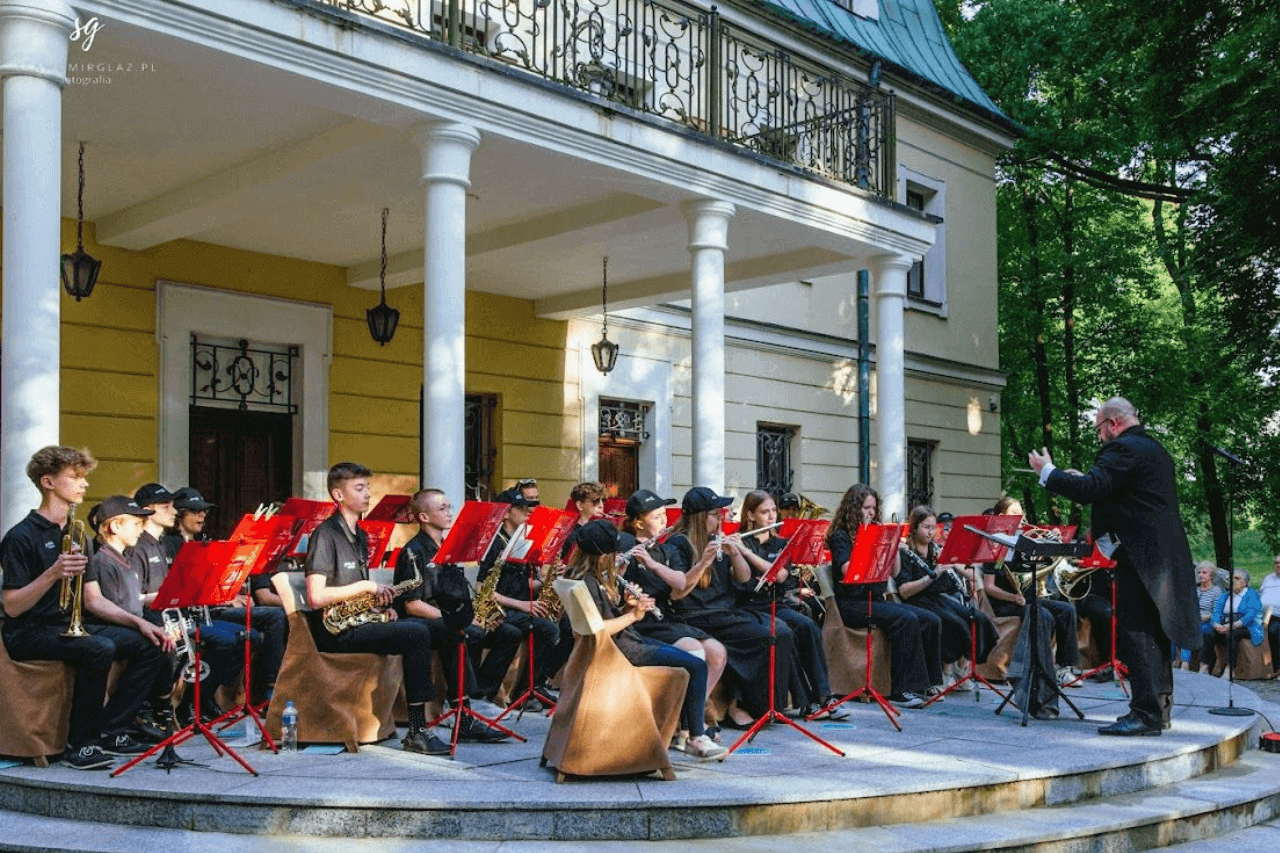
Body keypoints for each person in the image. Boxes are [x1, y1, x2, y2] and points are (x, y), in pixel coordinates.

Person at [1029, 396, 1200, 736]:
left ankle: (1145, 714)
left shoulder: (1123, 449)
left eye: (1099, 429)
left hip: (1140, 558)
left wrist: (1048, 472)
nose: (1099, 437)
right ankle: (1158, 711)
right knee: (1155, 633)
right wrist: (1084, 479)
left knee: (1136, 632)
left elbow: (1091, 490)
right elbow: (1119, 492)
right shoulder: (1155, 450)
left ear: (1113, 423)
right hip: (1162, 555)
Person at [0, 447, 147, 769]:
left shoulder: (77, 533)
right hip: (29, 630)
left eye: (84, 477)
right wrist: (53, 573)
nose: (83, 484)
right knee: (97, 649)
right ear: (48, 482)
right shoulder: (20, 537)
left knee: (146, 645)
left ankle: (113, 729)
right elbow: (11, 606)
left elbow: (93, 600)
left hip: (67, 625)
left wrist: (140, 624)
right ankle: (80, 745)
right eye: (75, 477)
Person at [304, 462, 449, 755]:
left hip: (358, 622)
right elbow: (316, 597)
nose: (368, 494)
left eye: (368, 487)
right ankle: (417, 730)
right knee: (416, 633)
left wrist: (382, 608)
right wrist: (368, 588)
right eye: (360, 488)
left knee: (438, 627)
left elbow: (355, 592)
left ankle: (459, 706)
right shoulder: (325, 535)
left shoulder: (359, 535)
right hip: (335, 631)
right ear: (338, 494)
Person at [566, 518, 728, 760]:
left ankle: (685, 732)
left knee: (689, 660)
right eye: (615, 553)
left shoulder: (582, 576)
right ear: (603, 556)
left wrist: (625, 605)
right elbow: (597, 629)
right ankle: (696, 737)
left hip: (625, 643)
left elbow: (599, 622)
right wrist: (634, 615)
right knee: (696, 664)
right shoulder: (589, 583)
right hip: (622, 651)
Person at [666, 486, 797, 725]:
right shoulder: (678, 544)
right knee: (763, 636)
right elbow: (679, 590)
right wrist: (705, 560)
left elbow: (744, 578)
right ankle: (741, 706)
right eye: (715, 514)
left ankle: (767, 707)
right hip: (697, 615)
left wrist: (736, 552)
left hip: (725, 610)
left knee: (781, 630)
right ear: (699, 516)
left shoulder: (716, 539)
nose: (720, 519)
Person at [132, 482, 258, 721]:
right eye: (166, 506)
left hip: (178, 617)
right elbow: (141, 596)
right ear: (148, 510)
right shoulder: (145, 545)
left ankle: (197, 700)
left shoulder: (158, 544)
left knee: (244, 636)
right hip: (160, 621)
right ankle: (178, 705)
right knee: (225, 639)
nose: (173, 510)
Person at [394, 488, 508, 740]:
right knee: (457, 632)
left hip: (444, 617)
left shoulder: (447, 548)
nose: (449, 513)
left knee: (498, 631)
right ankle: (461, 713)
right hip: (420, 620)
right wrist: (458, 620)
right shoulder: (413, 552)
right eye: (442, 508)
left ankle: (468, 706)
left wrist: (473, 614)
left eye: (449, 507)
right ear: (423, 517)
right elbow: (413, 605)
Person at [620, 489, 729, 731]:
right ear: (638, 523)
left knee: (717, 652)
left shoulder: (665, 549)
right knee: (694, 650)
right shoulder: (625, 545)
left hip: (665, 617)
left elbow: (680, 585)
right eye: (656, 516)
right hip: (639, 622)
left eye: (664, 514)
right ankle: (689, 725)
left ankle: (692, 711)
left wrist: (653, 563)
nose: (664, 520)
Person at [825, 484, 937, 708]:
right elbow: (848, 570)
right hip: (851, 603)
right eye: (866, 508)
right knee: (906, 620)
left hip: (874, 599)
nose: (871, 513)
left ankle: (925, 684)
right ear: (853, 508)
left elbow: (894, 572)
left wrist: (892, 546)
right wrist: (869, 544)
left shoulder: (875, 531)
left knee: (929, 618)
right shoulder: (840, 536)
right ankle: (900, 690)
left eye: (874, 509)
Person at [736, 490, 845, 718]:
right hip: (750, 608)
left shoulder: (782, 543)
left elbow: (781, 575)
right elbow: (746, 581)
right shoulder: (741, 542)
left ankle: (824, 696)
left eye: (773, 511)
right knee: (786, 633)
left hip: (777, 603)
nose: (771, 516)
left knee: (807, 626)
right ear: (751, 515)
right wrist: (747, 554)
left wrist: (756, 564)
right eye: (764, 512)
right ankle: (806, 702)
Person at [82, 496, 175, 745]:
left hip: (129, 624)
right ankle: (117, 725)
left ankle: (147, 714)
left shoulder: (125, 559)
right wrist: (146, 628)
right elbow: (111, 609)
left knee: (165, 641)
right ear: (114, 527)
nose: (141, 528)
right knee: (155, 648)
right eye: (136, 523)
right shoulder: (103, 560)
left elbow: (135, 602)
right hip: (106, 627)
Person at [477, 489, 572, 705]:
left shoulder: (521, 542)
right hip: (500, 610)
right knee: (545, 630)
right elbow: (483, 588)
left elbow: (523, 583)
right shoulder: (494, 544)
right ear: (507, 513)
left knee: (553, 627)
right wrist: (522, 604)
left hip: (520, 607)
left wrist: (547, 581)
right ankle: (490, 692)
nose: (527, 513)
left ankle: (530, 688)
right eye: (521, 509)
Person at [981, 496, 1082, 686]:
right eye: (1014, 513)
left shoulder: (1023, 541)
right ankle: (1035, 669)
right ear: (1002, 516)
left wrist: (1051, 546)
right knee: (1043, 615)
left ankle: (1062, 667)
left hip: (1025, 598)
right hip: (1004, 602)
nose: (1020, 517)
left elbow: (1037, 569)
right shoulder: (993, 544)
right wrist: (1012, 597)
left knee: (1066, 609)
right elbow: (989, 586)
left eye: (1021, 513)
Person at [896, 505, 996, 689]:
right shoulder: (906, 553)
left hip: (941, 599)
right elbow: (904, 590)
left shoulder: (935, 549)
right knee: (953, 622)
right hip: (919, 600)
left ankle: (961, 667)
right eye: (926, 527)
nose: (931, 532)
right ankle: (946, 672)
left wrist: (954, 564)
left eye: (934, 528)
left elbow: (971, 575)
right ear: (915, 528)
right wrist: (931, 576)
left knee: (978, 618)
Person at [1208, 568, 1264, 679]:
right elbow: (1216, 612)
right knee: (1209, 633)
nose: (1233, 581)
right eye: (1232, 578)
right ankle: (1205, 667)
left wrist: (1231, 626)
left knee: (1232, 634)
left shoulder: (1251, 595)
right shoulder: (1224, 596)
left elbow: (1250, 616)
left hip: (1247, 627)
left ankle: (1230, 669)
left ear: (1245, 582)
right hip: (1225, 625)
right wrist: (1216, 625)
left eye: (1237, 578)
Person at [159, 487, 216, 561]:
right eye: (196, 510)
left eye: (205, 510)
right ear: (179, 514)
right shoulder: (167, 545)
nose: (203, 515)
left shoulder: (200, 542)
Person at [561, 481, 606, 559]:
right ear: (579, 505)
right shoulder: (570, 535)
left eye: (603, 501)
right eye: (595, 501)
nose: (601, 506)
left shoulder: (601, 529)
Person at [1258, 556, 1280, 674]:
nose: (1278, 565)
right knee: (1273, 631)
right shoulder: (1268, 579)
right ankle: (1277, 669)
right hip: (1271, 615)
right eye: (1276, 563)